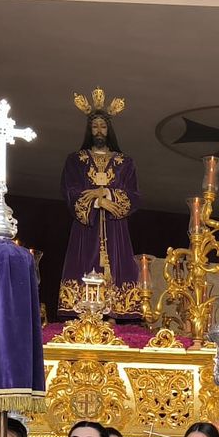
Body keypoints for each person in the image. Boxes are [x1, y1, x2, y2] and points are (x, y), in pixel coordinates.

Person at [60, 106, 140, 299]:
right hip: (87, 227)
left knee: (116, 262)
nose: (98, 130)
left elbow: (134, 195)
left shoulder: (125, 162)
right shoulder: (76, 160)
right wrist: (97, 202)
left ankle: (113, 310)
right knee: (85, 261)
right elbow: (70, 191)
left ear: (109, 130)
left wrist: (106, 193)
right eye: (94, 126)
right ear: (89, 130)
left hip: (115, 228)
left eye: (102, 126)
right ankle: (85, 310)